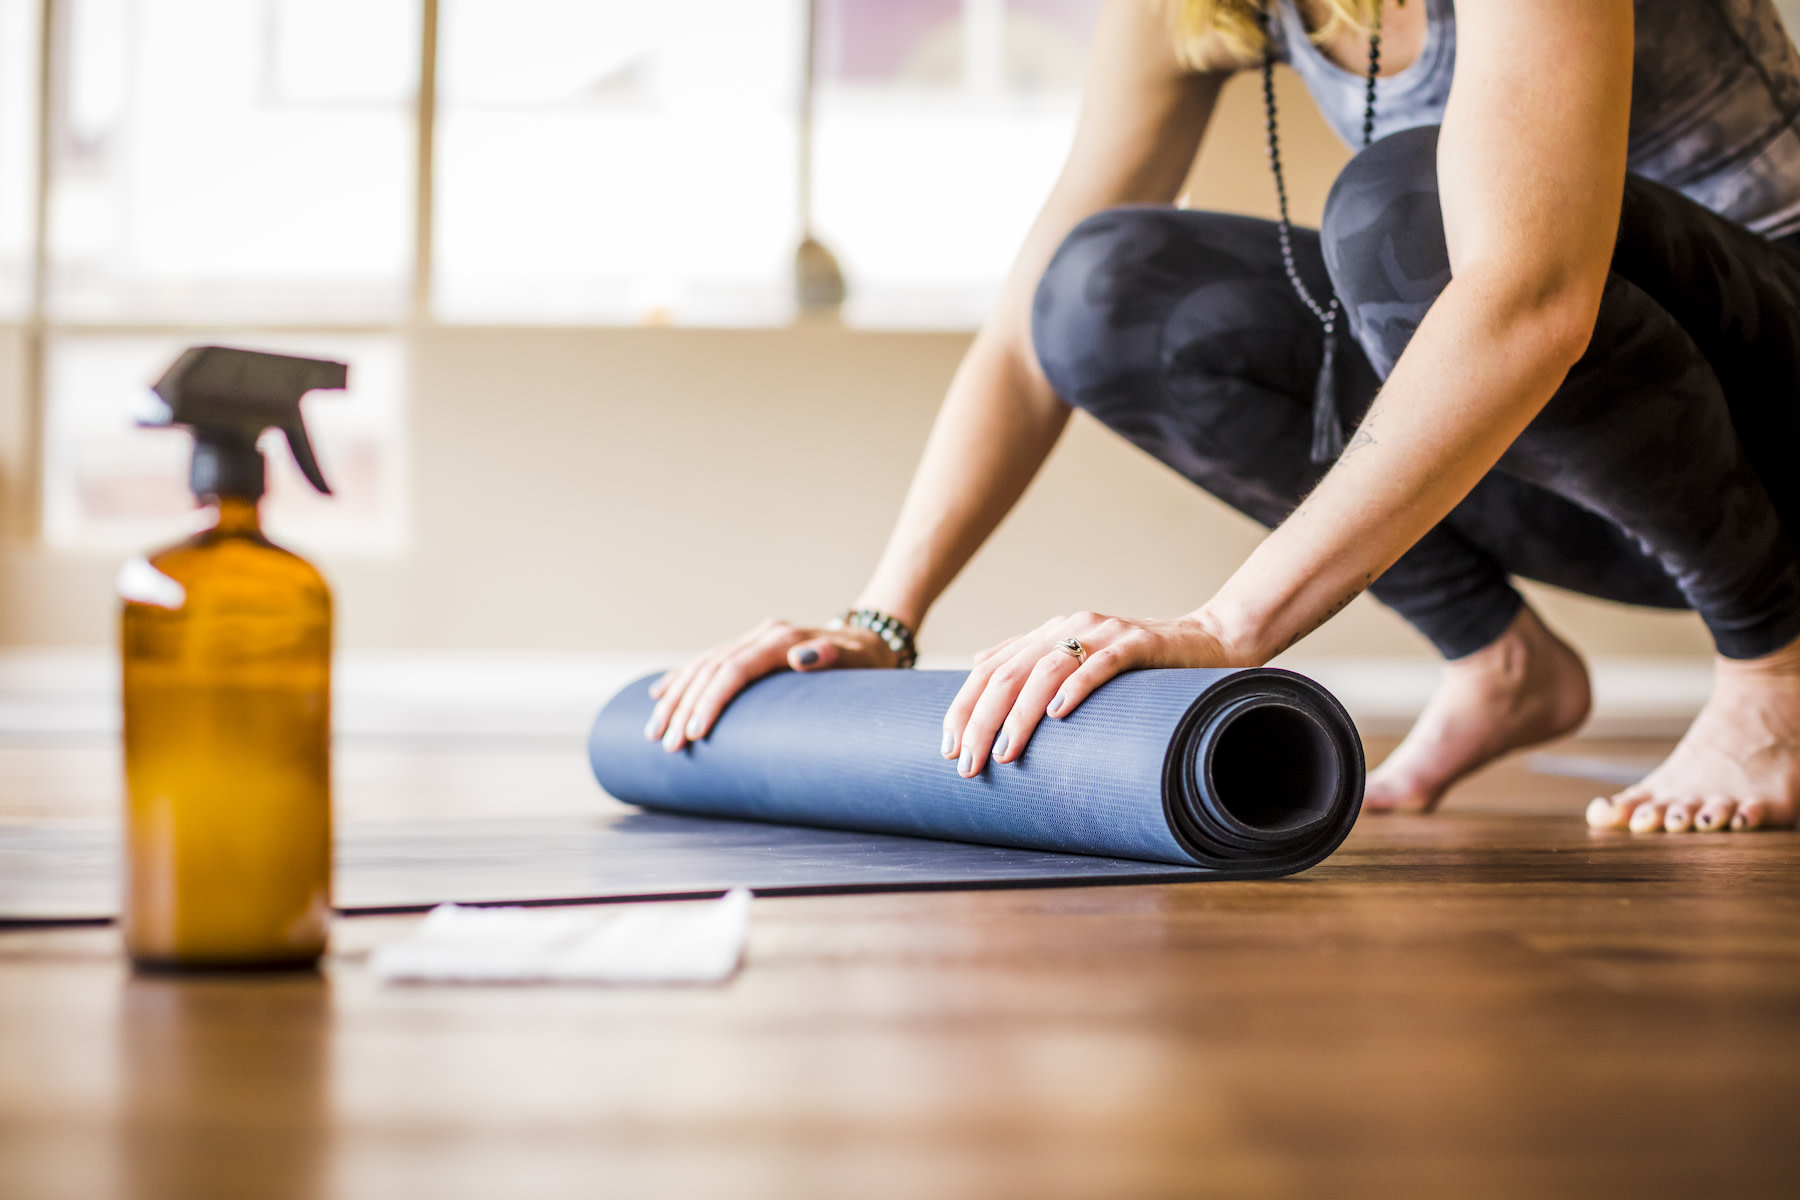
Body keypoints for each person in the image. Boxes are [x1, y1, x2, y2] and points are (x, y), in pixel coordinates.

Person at [648, 0, 1800, 835]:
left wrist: (1231, 626)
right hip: (1606, 481)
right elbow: (1025, 332)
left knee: (1406, 211)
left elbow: (1531, 298)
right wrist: (882, 622)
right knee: (1098, 290)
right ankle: (1499, 663)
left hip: (1774, 422)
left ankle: (1773, 673)